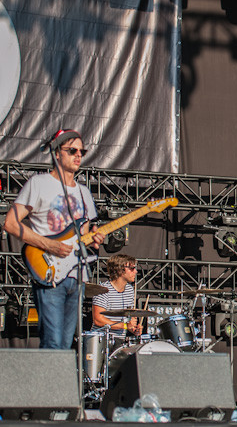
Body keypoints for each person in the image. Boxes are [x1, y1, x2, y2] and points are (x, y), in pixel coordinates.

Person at [3, 129, 104, 349]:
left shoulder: (85, 193)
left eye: (82, 151)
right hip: (49, 271)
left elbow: (85, 235)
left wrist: (95, 239)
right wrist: (48, 244)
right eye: (72, 150)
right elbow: (11, 223)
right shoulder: (39, 183)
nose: (78, 155)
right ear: (57, 153)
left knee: (66, 346)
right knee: (53, 343)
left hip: (77, 275)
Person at [92, 253, 143, 341]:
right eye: (132, 268)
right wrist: (125, 326)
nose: (135, 271)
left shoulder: (130, 290)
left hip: (119, 341)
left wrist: (133, 329)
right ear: (120, 270)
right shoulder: (103, 290)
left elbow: (127, 323)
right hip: (100, 341)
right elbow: (98, 320)